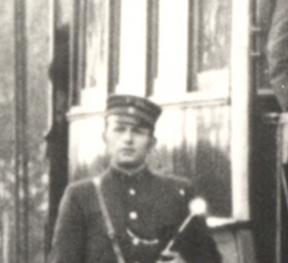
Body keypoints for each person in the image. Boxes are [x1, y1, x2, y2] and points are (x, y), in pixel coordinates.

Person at [50, 95, 222, 263]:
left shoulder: (179, 193)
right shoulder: (80, 196)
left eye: (138, 132)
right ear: (105, 138)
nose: (128, 139)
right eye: (119, 129)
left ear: (151, 142)